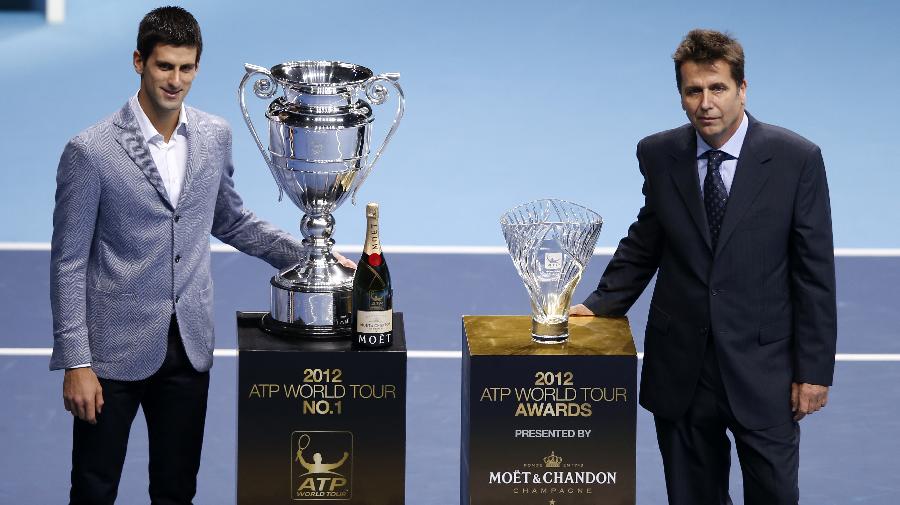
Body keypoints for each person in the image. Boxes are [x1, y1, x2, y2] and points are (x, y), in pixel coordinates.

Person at [49, 7, 351, 504]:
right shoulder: (91, 151)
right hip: (109, 356)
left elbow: (229, 219)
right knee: (93, 489)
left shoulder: (214, 135)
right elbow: (67, 262)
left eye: (186, 68)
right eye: (164, 66)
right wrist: (75, 362)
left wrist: (309, 259)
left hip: (187, 351)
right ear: (138, 62)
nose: (175, 80)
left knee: (176, 490)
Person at [571, 29, 836, 505]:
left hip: (764, 371)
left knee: (775, 495)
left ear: (742, 89)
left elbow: (813, 273)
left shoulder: (797, 159)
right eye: (694, 91)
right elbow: (647, 239)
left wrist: (814, 370)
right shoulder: (659, 154)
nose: (706, 103)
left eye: (718, 88)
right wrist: (599, 305)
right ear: (681, 95)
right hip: (682, 371)